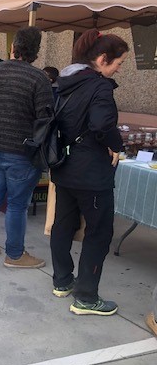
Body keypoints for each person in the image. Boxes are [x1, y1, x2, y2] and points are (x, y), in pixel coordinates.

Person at [50, 29, 129, 316]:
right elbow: (100, 125)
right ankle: (85, 297)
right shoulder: (99, 86)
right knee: (99, 232)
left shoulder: (65, 81)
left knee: (63, 224)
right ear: (102, 58)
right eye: (118, 63)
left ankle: (62, 281)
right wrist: (116, 145)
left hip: (64, 165)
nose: (119, 68)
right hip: (91, 173)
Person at [0, 26, 53, 268]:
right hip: (22, 152)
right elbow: (46, 120)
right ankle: (15, 255)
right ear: (36, 52)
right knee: (17, 205)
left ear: (13, 47)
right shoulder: (38, 79)